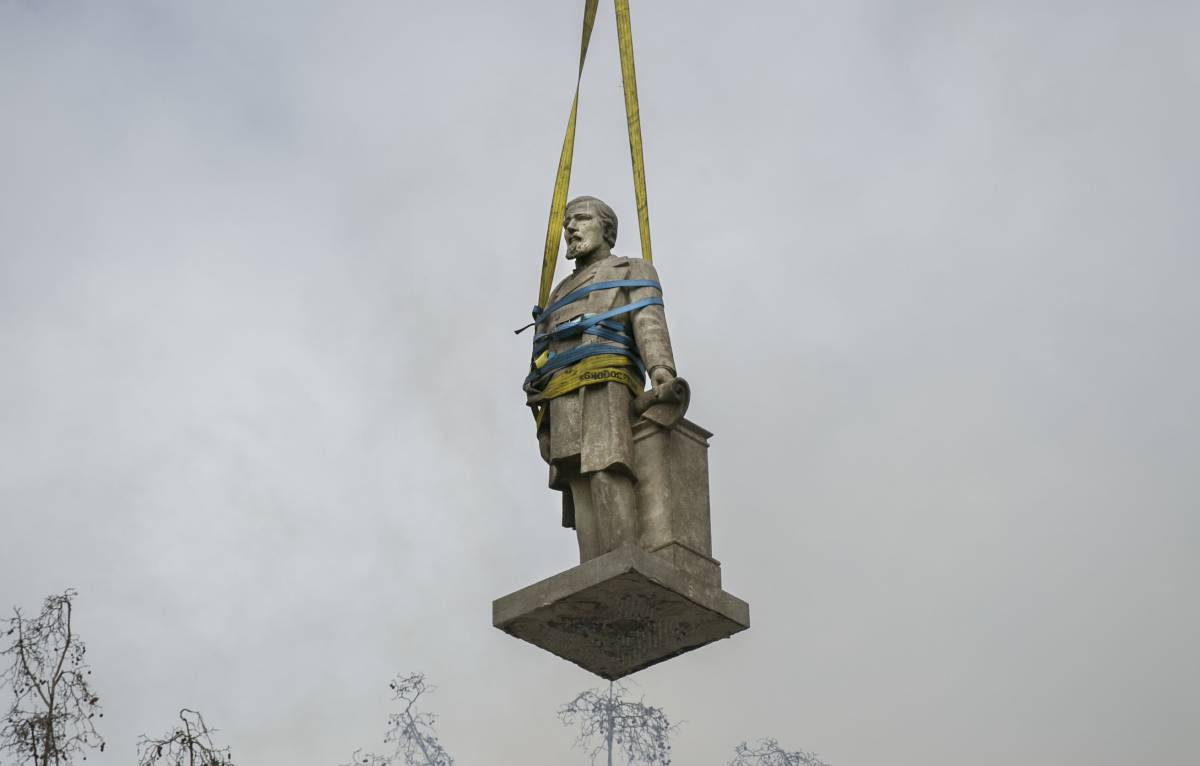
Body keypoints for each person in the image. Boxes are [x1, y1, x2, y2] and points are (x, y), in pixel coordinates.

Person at [525, 196, 677, 562]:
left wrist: (661, 372)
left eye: (581, 219)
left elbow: (647, 322)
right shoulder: (558, 293)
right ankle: (593, 565)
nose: (571, 228)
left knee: (606, 467)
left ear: (605, 227)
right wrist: (539, 406)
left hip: (606, 381)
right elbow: (542, 348)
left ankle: (621, 557)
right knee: (577, 477)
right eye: (567, 223)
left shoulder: (631, 269)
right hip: (562, 392)